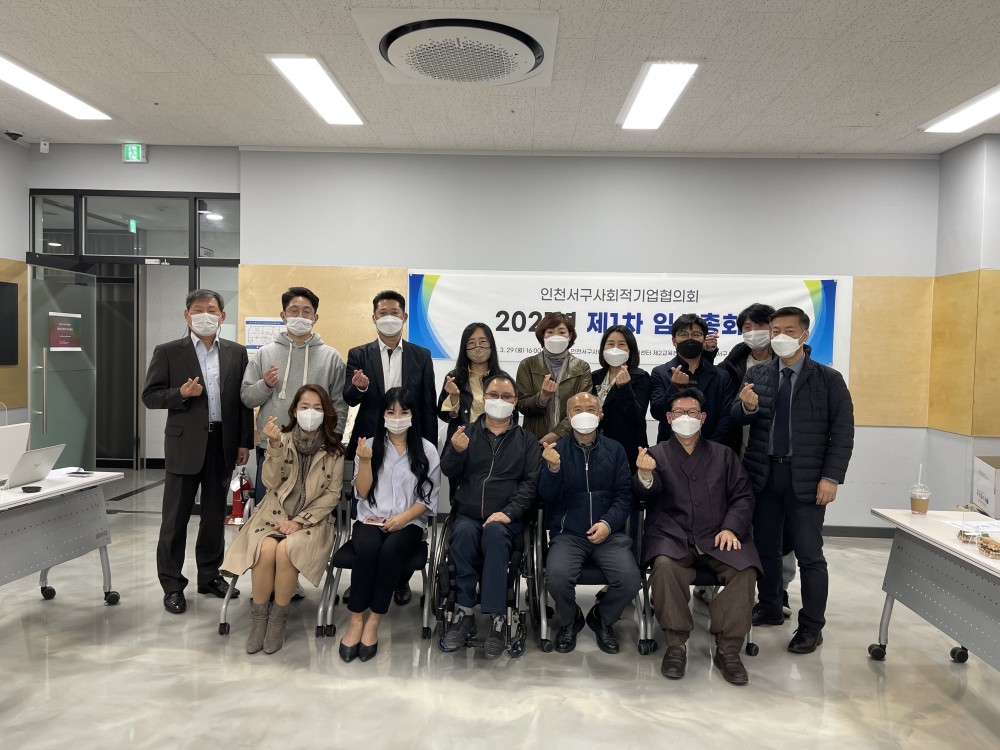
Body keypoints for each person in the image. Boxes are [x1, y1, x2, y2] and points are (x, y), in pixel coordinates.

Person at [731, 306, 854, 655]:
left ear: (804, 335)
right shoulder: (758, 374)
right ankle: (770, 606)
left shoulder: (828, 379)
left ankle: (812, 626)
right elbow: (736, 416)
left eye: (788, 331)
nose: (780, 337)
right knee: (766, 548)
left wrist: (831, 477)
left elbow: (842, 433)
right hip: (764, 475)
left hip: (807, 479)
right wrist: (746, 407)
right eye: (775, 331)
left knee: (809, 554)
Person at [634, 388, 760, 685]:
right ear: (669, 417)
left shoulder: (723, 455)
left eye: (692, 412)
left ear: (702, 418)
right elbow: (644, 495)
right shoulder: (656, 454)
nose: (686, 418)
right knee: (665, 566)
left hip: (718, 535)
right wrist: (644, 475)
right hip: (672, 535)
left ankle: (728, 648)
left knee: (745, 569)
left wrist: (731, 527)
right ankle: (676, 644)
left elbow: (743, 496)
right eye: (679, 412)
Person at [141, 289, 253, 615]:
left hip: (222, 443)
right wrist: (181, 393)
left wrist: (244, 442)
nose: (206, 315)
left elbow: (243, 402)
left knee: (214, 518)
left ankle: (210, 576)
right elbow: (150, 396)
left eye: (212, 310)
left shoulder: (236, 352)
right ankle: (172, 585)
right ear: (187, 315)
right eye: (199, 310)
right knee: (174, 521)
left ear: (222, 316)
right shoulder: (168, 351)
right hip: (184, 445)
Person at [221, 385, 344, 655]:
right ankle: (259, 620)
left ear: (326, 412)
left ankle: (277, 621)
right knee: (265, 549)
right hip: (273, 515)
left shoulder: (334, 449)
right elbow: (270, 482)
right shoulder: (281, 439)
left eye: (317, 408)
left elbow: (332, 495)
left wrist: (299, 521)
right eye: (304, 407)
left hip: (312, 523)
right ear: (294, 411)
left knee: (286, 550)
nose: (310, 413)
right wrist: (274, 447)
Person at [343, 290, 437, 605]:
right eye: (382, 312)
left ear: (404, 317)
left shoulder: (421, 355)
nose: (388, 317)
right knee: (370, 512)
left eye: (394, 312)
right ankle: (364, 576)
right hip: (371, 442)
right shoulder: (359, 354)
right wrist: (358, 388)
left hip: (410, 441)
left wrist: (427, 448)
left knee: (406, 513)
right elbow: (349, 398)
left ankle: (400, 580)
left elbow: (426, 403)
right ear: (373, 317)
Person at [439, 373, 540, 659]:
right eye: (494, 395)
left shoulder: (526, 441)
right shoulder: (467, 433)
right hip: (469, 513)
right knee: (462, 533)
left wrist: (508, 513)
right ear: (483, 398)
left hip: (507, 519)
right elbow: (448, 470)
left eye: (506, 396)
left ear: (515, 402)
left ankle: (497, 618)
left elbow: (531, 484)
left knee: (495, 533)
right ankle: (464, 612)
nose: (499, 400)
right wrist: (457, 452)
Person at [341, 387, 440, 663]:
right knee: (368, 549)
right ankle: (356, 619)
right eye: (391, 412)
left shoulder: (427, 450)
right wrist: (364, 460)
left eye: (403, 412)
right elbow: (362, 493)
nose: (397, 418)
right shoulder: (370, 445)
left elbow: (428, 499)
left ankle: (374, 620)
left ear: (413, 415)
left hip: (409, 522)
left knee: (390, 551)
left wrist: (403, 518)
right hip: (371, 518)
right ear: (382, 415)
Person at [537, 392, 640, 654]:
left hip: (610, 534)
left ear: (600, 414)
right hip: (568, 534)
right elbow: (546, 496)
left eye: (591, 408)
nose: (584, 413)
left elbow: (624, 495)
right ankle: (570, 619)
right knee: (557, 578)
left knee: (630, 580)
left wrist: (607, 523)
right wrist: (552, 470)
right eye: (578, 409)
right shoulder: (556, 450)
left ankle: (602, 618)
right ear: (568, 415)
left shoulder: (615, 450)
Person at [241, 286, 347, 502]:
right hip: (274, 446)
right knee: (270, 508)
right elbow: (247, 398)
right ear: (283, 315)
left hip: (319, 449)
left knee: (311, 507)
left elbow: (340, 403)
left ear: (315, 317)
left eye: (306, 311)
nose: (300, 316)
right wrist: (265, 385)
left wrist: (333, 438)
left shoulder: (331, 357)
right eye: (294, 310)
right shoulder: (264, 354)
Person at [650, 313, 734, 446]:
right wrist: (674, 388)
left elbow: (726, 418)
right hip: (669, 449)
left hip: (712, 448)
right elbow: (657, 413)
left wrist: (712, 449)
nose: (690, 339)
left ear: (704, 340)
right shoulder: (660, 372)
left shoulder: (722, 376)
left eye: (696, 334)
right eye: (683, 335)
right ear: (674, 341)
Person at [516, 312, 593, 444]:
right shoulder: (527, 365)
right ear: (543, 336)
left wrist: (558, 433)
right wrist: (542, 398)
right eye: (550, 332)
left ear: (570, 336)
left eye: (561, 332)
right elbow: (521, 405)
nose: (556, 337)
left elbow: (583, 408)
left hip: (570, 441)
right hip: (534, 440)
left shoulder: (582, 367)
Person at [590, 324, 651, 472]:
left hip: (627, 450)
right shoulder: (595, 376)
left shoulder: (640, 377)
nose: (615, 348)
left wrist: (624, 388)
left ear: (630, 349)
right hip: (595, 447)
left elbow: (637, 417)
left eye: (621, 344)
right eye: (610, 344)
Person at [437, 322, 502, 446]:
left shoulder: (502, 379)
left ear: (491, 344)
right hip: (461, 443)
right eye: (471, 343)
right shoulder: (454, 378)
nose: (477, 347)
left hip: (493, 444)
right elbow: (444, 416)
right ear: (465, 347)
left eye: (482, 342)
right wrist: (454, 398)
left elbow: (512, 417)